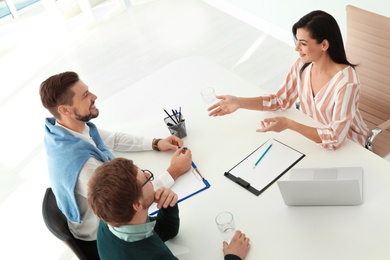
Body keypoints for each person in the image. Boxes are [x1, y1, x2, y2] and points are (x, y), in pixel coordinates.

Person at [39, 72, 192, 257]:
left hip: (117, 216)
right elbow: (128, 197)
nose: (94, 97)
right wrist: (173, 171)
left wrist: (155, 143)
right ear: (65, 110)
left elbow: (111, 139)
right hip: (104, 232)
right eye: (85, 96)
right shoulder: (84, 166)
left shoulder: (64, 129)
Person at [208, 10, 370, 150]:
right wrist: (239, 102)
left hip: (350, 145)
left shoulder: (347, 82)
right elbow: (279, 99)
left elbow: (336, 138)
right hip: (314, 137)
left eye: (303, 43)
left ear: (324, 45)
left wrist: (290, 125)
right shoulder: (302, 65)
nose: (296, 48)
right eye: (296, 41)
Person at [87, 157, 250, 260]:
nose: (151, 180)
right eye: (146, 179)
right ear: (137, 204)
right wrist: (233, 256)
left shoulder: (111, 219)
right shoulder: (154, 257)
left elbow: (165, 232)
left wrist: (168, 207)